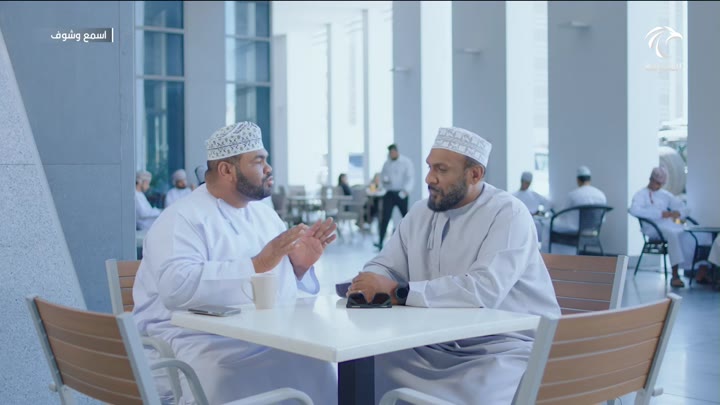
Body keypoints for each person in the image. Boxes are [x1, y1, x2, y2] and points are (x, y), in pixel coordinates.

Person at [348, 127, 560, 404]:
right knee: (363, 368)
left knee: (478, 393)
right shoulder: (421, 212)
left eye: (442, 169)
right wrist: (371, 281)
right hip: (433, 344)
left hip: (502, 347)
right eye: (429, 167)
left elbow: (484, 290)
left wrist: (398, 291)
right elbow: (385, 265)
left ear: (475, 175)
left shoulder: (508, 213)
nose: (429, 178)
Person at [132, 121, 339, 405]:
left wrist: (298, 267)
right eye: (258, 161)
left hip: (261, 336)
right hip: (193, 340)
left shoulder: (265, 215)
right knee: (225, 377)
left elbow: (274, 291)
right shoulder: (181, 218)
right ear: (226, 170)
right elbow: (176, 289)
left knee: (315, 363)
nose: (269, 169)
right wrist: (258, 262)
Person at [629, 167, 712, 288]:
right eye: (657, 183)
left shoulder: (665, 195)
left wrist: (678, 213)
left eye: (661, 184)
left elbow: (684, 208)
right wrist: (660, 214)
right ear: (651, 179)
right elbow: (634, 210)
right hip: (653, 228)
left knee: (701, 235)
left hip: (670, 225)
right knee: (672, 234)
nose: (659, 186)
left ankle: (701, 271)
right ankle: (675, 275)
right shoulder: (640, 195)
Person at [376, 144, 415, 250]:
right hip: (389, 193)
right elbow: (382, 177)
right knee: (385, 217)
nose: (391, 154)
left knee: (406, 217)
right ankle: (380, 242)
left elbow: (410, 178)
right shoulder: (386, 163)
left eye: (393, 152)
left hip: (401, 193)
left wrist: (406, 191)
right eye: (390, 153)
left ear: (397, 151)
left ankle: (412, 241)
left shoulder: (406, 162)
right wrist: (384, 184)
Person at [551, 165, 607, 234]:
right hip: (593, 230)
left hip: (573, 230)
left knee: (547, 223)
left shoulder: (573, 195)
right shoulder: (601, 195)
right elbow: (602, 219)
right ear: (590, 179)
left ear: (578, 180)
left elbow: (563, 214)